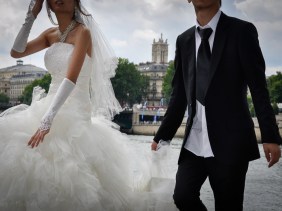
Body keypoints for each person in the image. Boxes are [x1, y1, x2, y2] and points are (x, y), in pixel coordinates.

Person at [0, 0, 177, 210]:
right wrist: (30, 16)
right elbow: (16, 52)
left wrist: (47, 120)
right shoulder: (50, 34)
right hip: (49, 104)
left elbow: (70, 79)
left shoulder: (82, 32)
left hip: (73, 110)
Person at [151, 0, 282, 210]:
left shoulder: (242, 32)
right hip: (194, 141)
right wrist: (162, 135)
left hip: (230, 141)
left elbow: (258, 88)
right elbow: (179, 96)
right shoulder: (183, 40)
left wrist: (270, 136)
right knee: (183, 196)